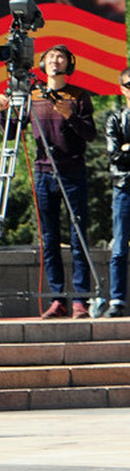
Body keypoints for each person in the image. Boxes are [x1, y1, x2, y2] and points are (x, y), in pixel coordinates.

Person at [0, 44, 96, 318]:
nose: (55, 61)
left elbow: (90, 134)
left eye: (60, 57)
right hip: (43, 172)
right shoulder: (33, 94)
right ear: (42, 64)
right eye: (50, 56)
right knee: (49, 239)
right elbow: (13, 130)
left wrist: (70, 115)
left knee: (78, 236)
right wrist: (5, 111)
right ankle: (57, 298)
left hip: (73, 171)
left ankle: (80, 300)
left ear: (68, 64)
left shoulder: (78, 96)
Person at [103, 65, 130, 318]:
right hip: (124, 186)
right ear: (122, 89)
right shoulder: (115, 118)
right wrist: (123, 149)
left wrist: (126, 147)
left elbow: (123, 151)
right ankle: (117, 299)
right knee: (120, 246)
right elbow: (115, 154)